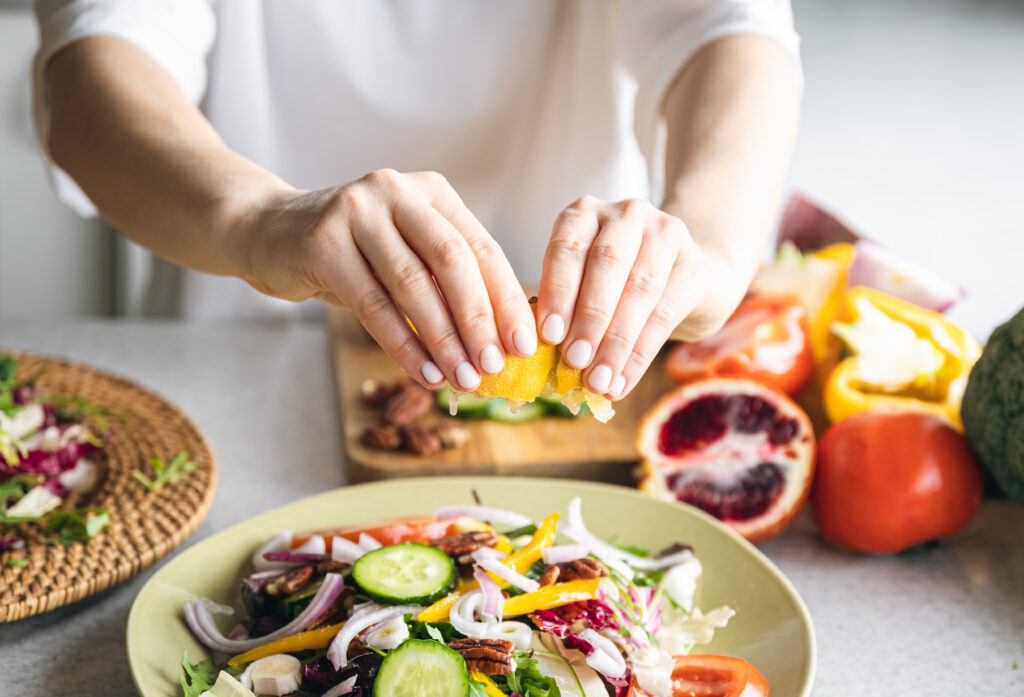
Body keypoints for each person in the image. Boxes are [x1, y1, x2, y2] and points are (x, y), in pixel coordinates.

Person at [32, 0, 801, 401]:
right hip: (232, 354)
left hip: (576, 363)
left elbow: (732, 30)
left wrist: (714, 248)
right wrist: (260, 220)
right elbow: (95, 70)